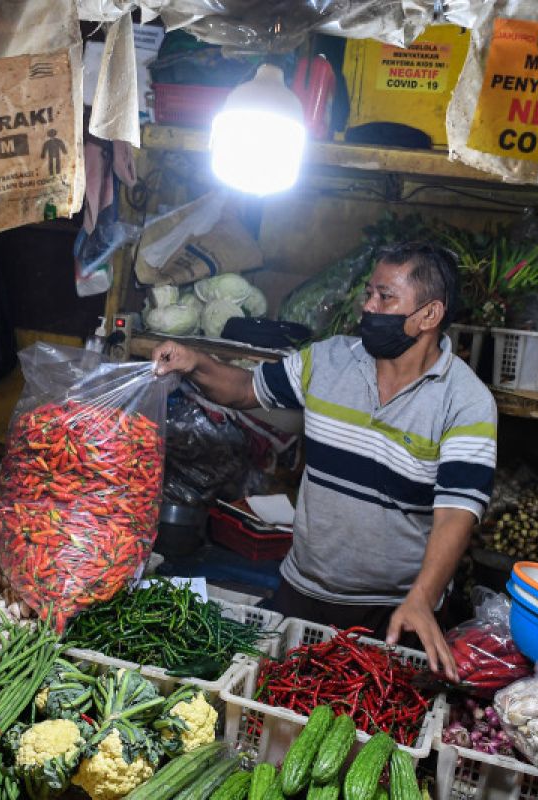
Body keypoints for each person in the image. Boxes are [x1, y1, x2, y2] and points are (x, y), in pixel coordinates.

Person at [151, 242, 497, 678]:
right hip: (303, 592)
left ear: (430, 315)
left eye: (385, 298)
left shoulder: (466, 401)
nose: (368, 307)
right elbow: (245, 388)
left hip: (393, 612)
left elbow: (455, 515)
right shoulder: (330, 359)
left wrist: (422, 599)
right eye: (368, 293)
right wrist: (195, 361)